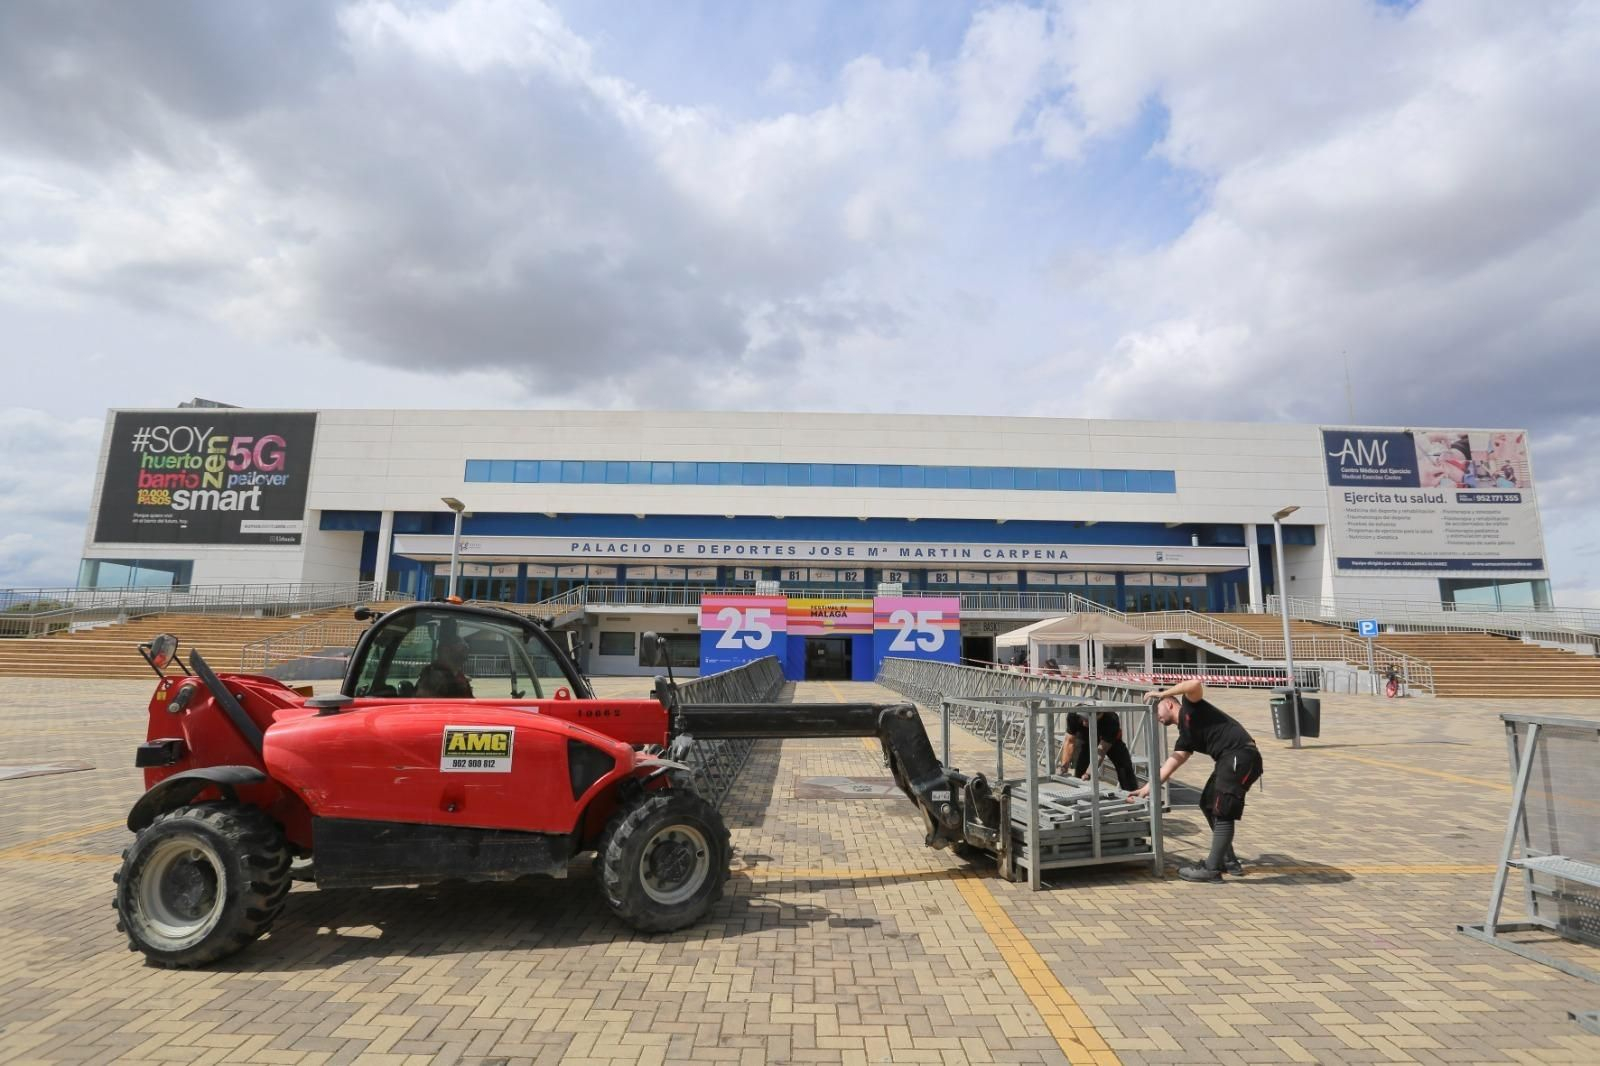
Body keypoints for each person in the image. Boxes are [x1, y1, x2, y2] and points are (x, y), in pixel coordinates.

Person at [1128, 678, 1262, 882]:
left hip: (1240, 756)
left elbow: (1194, 684)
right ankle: (1228, 860)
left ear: (1169, 704)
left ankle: (1212, 869)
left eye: (1156, 712)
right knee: (1208, 804)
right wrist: (1147, 788)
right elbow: (1172, 763)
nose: (1156, 718)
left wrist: (1162, 693)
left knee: (1223, 810)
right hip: (1228, 759)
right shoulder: (1185, 736)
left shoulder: (1191, 707)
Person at [1059, 710, 1139, 791]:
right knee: (1081, 767)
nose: (1084, 722)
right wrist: (1064, 766)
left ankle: (1132, 794)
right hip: (1085, 740)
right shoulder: (1074, 714)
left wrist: (1089, 773)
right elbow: (1069, 741)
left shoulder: (1111, 719)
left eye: (1087, 719)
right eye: (1082, 718)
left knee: (1124, 765)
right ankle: (1079, 793)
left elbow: (1101, 750)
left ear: (1099, 715)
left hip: (1110, 742)